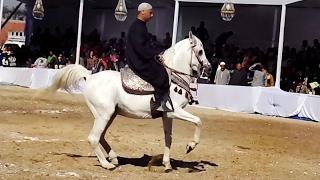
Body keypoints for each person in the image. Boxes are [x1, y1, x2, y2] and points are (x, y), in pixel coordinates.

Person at [125, 2, 173, 114]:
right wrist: (155, 56)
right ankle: (158, 104)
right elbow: (141, 48)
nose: (152, 15)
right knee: (161, 74)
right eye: (150, 13)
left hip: (139, 57)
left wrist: (156, 52)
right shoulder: (138, 27)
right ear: (142, 12)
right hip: (137, 60)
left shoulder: (140, 26)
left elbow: (145, 46)